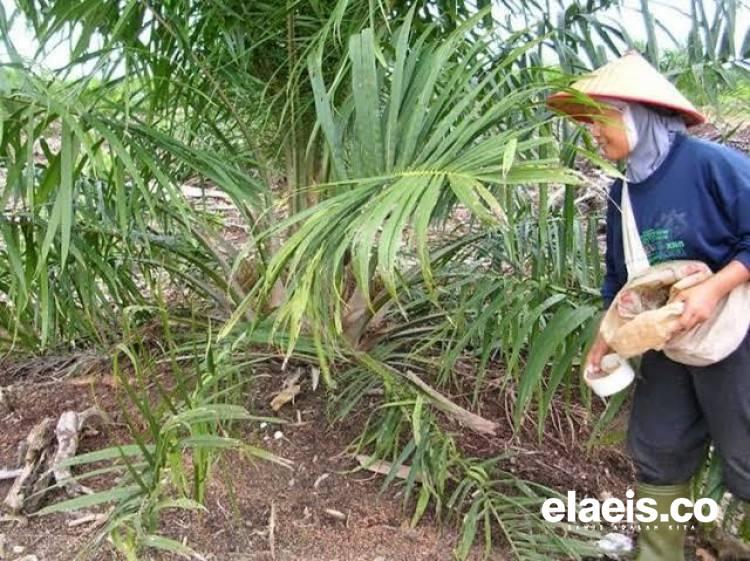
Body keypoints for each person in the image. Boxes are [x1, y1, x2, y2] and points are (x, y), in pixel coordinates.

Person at [548, 51, 750, 561]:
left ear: (635, 113)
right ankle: (659, 555)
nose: (593, 134)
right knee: (659, 447)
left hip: (734, 334)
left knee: (747, 455)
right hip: (668, 341)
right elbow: (621, 281)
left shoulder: (712, 166)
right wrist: (606, 338)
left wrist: (712, 288)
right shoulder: (624, 192)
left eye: (598, 120)